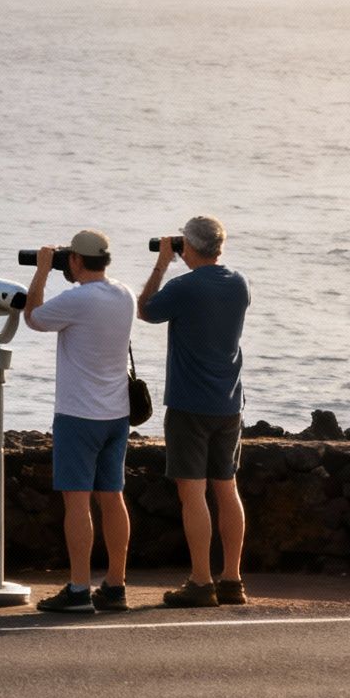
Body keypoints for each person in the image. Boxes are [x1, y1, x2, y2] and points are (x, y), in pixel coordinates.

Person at [138, 215, 253, 608]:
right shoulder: (239, 283)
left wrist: (162, 263)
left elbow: (145, 310)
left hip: (190, 403)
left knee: (193, 493)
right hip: (229, 402)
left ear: (188, 246)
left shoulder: (183, 286)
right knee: (227, 488)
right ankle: (233, 580)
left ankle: (202, 581)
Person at [23, 229, 135, 614]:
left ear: (74, 261)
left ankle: (79, 588)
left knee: (77, 502)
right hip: (116, 414)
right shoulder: (125, 295)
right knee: (113, 498)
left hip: (78, 415)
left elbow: (33, 318)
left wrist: (40, 271)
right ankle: (116, 585)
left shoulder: (76, 299)